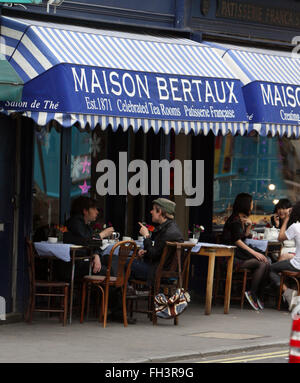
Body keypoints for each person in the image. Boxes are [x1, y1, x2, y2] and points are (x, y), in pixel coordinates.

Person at [222, 193, 270, 311]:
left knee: (266, 261)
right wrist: (255, 253)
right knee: (263, 262)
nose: (252, 205)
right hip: (231, 257)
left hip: (238, 255)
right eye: (251, 203)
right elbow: (237, 240)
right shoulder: (235, 220)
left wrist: (249, 226)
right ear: (246, 204)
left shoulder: (240, 219)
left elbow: (243, 236)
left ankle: (257, 294)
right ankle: (253, 294)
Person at [130, 198, 184, 285]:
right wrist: (145, 252)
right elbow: (159, 252)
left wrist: (146, 236)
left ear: (160, 212)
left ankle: (122, 294)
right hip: (162, 270)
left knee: (125, 263)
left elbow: (153, 254)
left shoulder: (168, 232)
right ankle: (130, 291)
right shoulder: (170, 228)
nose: (151, 212)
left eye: (153, 210)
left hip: (159, 273)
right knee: (129, 262)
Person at [269, 201, 300, 311]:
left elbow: (280, 237)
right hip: (295, 260)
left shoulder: (296, 226)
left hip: (297, 264)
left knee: (271, 268)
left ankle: (288, 294)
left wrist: (286, 219)